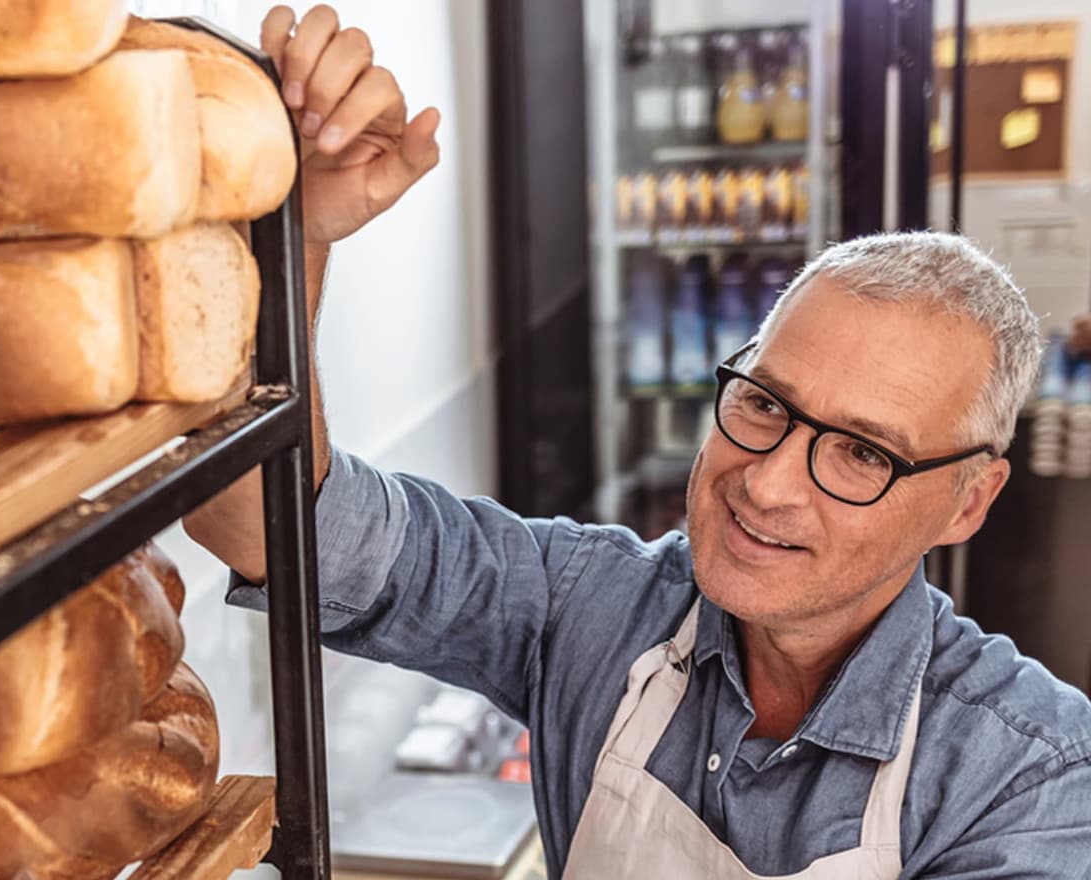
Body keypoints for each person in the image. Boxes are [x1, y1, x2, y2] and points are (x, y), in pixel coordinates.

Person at [186, 5, 1091, 877]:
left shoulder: (1026, 782)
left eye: (863, 452)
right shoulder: (592, 608)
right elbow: (271, 528)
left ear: (967, 502)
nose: (768, 486)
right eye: (767, 403)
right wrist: (286, 234)